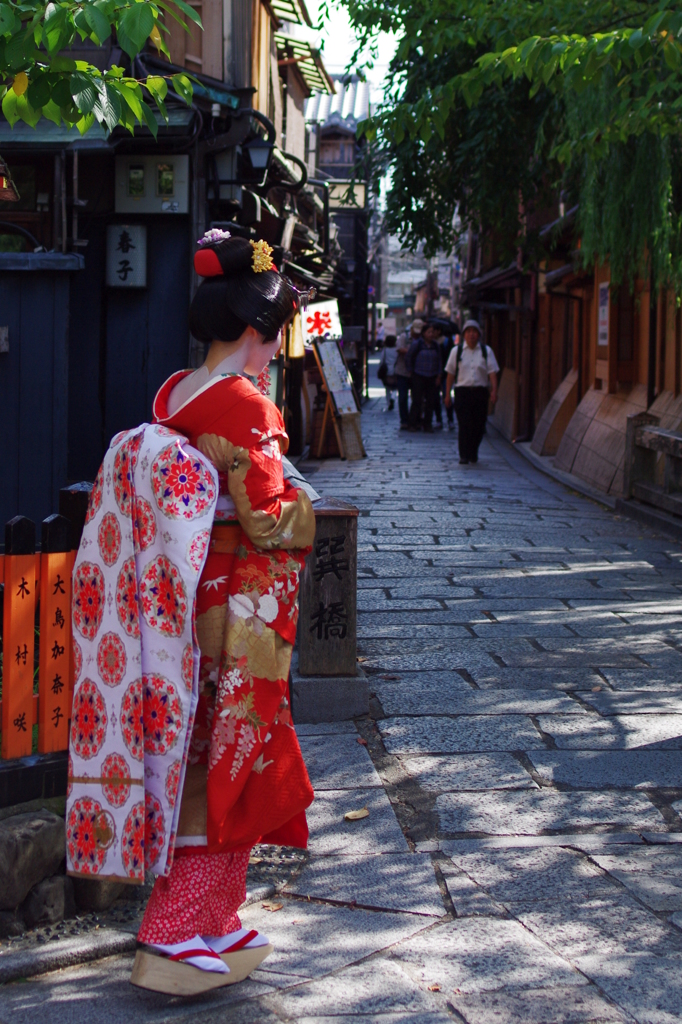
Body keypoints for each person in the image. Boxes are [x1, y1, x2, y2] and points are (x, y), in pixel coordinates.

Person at [65, 231, 316, 996]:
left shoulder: (174, 393)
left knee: (205, 755)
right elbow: (270, 520)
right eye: (273, 336)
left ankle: (217, 912)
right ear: (251, 331)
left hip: (182, 603)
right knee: (231, 763)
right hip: (238, 611)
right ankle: (172, 929)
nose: (276, 350)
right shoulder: (248, 407)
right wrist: (307, 507)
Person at [444, 318, 499, 464]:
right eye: (468, 332)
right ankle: (464, 455)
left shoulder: (486, 351)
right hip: (462, 392)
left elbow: (492, 372)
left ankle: (473, 451)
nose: (471, 335)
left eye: (474, 332)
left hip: (480, 392)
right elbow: (450, 373)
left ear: (479, 335)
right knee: (464, 424)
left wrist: (494, 391)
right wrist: (447, 394)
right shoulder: (457, 351)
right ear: (464, 335)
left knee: (479, 425)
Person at [407, 321, 442, 432]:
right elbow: (409, 357)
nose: (431, 334)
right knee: (417, 401)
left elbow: (440, 361)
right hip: (418, 375)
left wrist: (439, 375)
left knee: (430, 402)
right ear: (423, 333)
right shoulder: (417, 344)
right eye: (428, 332)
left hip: (432, 376)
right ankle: (412, 423)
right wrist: (411, 372)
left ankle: (427, 424)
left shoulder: (436, 345)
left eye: (432, 332)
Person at [395, 319, 423, 430]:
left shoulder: (421, 339)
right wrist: (412, 351)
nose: (416, 334)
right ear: (411, 329)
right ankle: (404, 420)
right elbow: (399, 349)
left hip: (416, 372)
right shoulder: (404, 337)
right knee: (402, 397)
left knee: (417, 398)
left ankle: (414, 419)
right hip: (402, 372)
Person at [377, 334, 399, 410]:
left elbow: (382, 360)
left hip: (387, 371)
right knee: (395, 387)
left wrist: (380, 369)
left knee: (387, 387)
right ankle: (393, 397)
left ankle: (388, 402)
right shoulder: (396, 350)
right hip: (395, 370)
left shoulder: (385, 350)